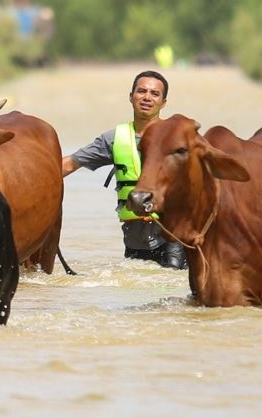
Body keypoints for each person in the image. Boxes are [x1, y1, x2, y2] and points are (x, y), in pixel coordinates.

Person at [61, 69, 186, 269]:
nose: (147, 97)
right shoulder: (114, 139)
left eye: (154, 94)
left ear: (163, 102)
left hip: (173, 238)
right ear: (131, 96)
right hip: (134, 241)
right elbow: (68, 164)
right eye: (141, 91)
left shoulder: (180, 138)